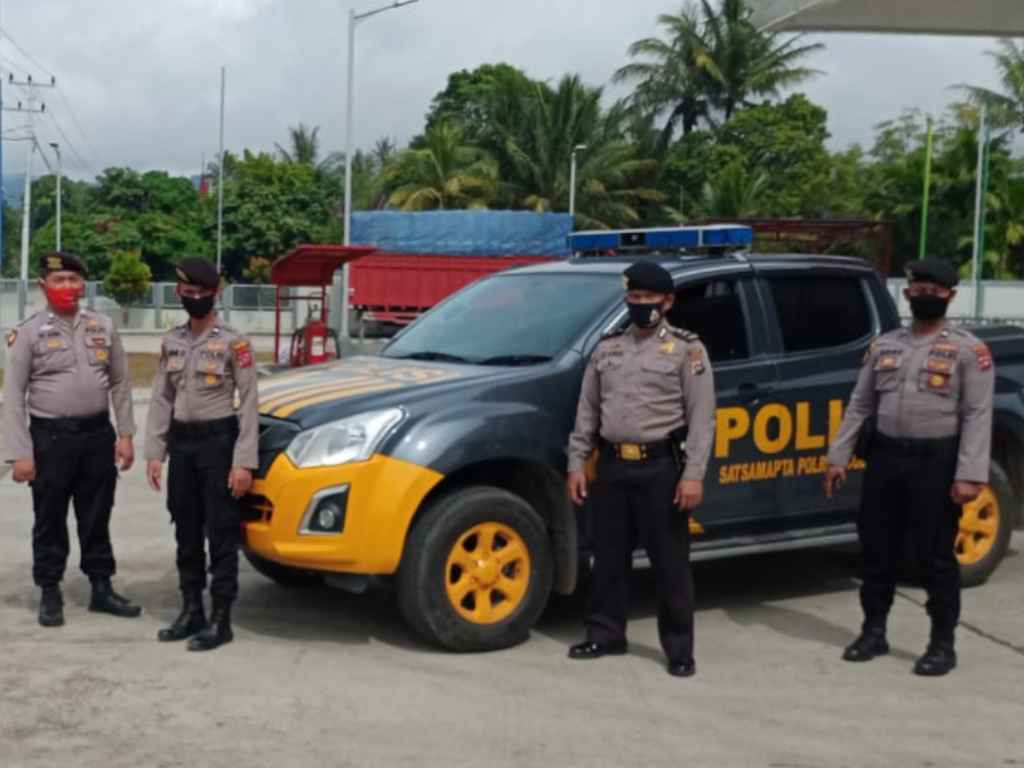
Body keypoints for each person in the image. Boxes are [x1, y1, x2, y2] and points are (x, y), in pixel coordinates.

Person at [824, 257, 994, 677]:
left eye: (934, 292)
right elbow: (861, 404)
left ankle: (942, 643)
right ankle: (874, 631)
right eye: (918, 290)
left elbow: (977, 414)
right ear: (907, 293)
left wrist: (970, 475)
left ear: (950, 296)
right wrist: (838, 456)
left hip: (936, 461)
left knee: (934, 556)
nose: (925, 297)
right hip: (885, 458)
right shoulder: (885, 345)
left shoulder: (968, 350)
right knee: (877, 551)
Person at [565, 261, 716, 678]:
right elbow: (587, 411)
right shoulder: (607, 348)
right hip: (612, 466)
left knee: (670, 563)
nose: (641, 306)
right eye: (634, 298)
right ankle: (606, 633)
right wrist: (577, 462)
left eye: (649, 299)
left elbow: (703, 419)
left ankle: (679, 649)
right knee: (608, 559)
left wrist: (693, 475)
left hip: (661, 468)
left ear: (668, 302)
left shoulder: (688, 350)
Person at [2, 251, 140, 627]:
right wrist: (19, 454)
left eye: (74, 280)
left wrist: (125, 433)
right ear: (44, 287)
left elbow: (120, 382)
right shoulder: (28, 332)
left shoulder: (103, 325)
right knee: (49, 518)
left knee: (97, 515)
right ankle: (49, 590)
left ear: (83, 284)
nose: (68, 288)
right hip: (51, 438)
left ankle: (101, 587)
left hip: (97, 435)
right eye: (59, 281)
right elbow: (12, 396)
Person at [144, 257, 259, 651]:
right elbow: (161, 397)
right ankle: (191, 609)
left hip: (218, 443)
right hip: (182, 444)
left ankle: (221, 618)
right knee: (186, 530)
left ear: (216, 294)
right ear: (179, 293)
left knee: (221, 533)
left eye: (202, 294)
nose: (194, 299)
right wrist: (155, 451)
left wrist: (243, 461)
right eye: (188, 293)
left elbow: (248, 404)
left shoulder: (234, 342)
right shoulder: (172, 341)